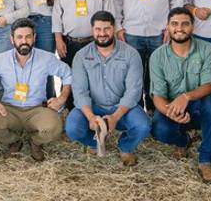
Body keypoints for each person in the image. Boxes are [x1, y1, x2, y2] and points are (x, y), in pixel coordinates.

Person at [150, 7, 211, 183]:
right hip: (173, 109)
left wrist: (185, 97)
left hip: (200, 107)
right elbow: (157, 96)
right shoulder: (158, 56)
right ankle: (183, 140)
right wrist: (171, 113)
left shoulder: (207, 49)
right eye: (174, 24)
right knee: (159, 129)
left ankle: (206, 160)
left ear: (193, 27)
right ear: (167, 27)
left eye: (185, 24)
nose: (179, 28)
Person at [0, 18, 72, 162]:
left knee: (54, 127)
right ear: (12, 39)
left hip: (37, 109)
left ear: (34, 38)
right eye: (19, 37)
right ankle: (14, 141)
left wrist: (62, 98)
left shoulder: (46, 58)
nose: (24, 41)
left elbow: (67, 74)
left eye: (28, 36)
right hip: (9, 110)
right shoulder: (1, 60)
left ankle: (35, 142)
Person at [65, 11, 151, 165]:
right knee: (72, 127)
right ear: (92, 30)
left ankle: (125, 146)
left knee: (143, 126)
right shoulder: (81, 56)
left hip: (122, 108)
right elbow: (79, 92)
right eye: (98, 29)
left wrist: (115, 117)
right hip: (94, 107)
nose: (102, 34)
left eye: (107, 29)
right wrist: (91, 117)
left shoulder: (131, 54)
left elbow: (134, 92)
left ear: (114, 28)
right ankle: (93, 142)